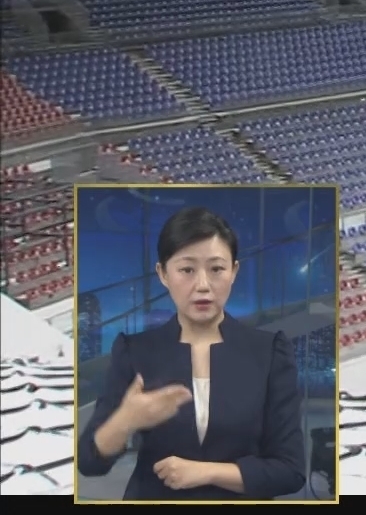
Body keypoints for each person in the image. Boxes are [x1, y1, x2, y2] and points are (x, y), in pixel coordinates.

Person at [76, 205, 307, 501]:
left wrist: (206, 472)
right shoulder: (135, 351)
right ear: (163, 274)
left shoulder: (270, 351)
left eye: (216, 269)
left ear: (234, 271)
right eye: (187, 270)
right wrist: (124, 420)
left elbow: (290, 471)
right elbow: (89, 463)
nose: (203, 285)